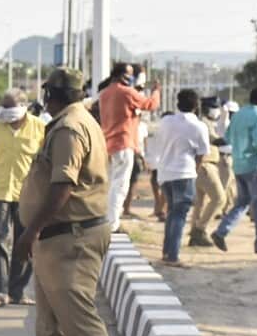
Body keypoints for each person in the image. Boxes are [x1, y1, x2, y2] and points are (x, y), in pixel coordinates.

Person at [9, 68, 129, 336]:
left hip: (71, 236)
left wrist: (29, 233)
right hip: (58, 237)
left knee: (76, 316)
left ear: (50, 94)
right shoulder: (75, 120)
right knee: (49, 320)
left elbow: (63, 186)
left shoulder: (69, 129)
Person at [0, 90, 45, 307]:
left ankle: (17, 291)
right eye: (4, 110)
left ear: (25, 106)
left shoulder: (39, 128)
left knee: (25, 241)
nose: (8, 115)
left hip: (28, 194)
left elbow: (46, 163)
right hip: (0, 192)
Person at [147, 89, 209, 266]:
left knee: (172, 213)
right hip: (184, 173)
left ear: (177, 103)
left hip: (165, 173)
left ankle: (167, 253)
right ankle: (172, 256)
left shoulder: (166, 121)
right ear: (196, 105)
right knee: (179, 215)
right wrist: (195, 171)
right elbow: (201, 154)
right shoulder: (198, 126)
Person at [97, 62, 161, 233]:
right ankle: (113, 224)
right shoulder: (126, 92)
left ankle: (106, 220)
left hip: (109, 143)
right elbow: (150, 105)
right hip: (124, 142)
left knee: (111, 184)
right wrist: (156, 91)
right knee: (120, 185)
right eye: (130, 73)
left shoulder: (104, 94)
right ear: (122, 75)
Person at [211, 87, 257, 254]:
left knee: (242, 203)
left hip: (238, 165)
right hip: (255, 165)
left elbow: (228, 137)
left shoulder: (239, 113)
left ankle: (221, 232)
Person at [188, 98, 229, 247]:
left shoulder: (205, 122)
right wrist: (231, 139)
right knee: (220, 199)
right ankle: (199, 229)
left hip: (202, 166)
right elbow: (215, 140)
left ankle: (195, 234)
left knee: (200, 203)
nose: (216, 110)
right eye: (214, 107)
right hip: (206, 166)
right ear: (205, 108)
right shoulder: (204, 122)